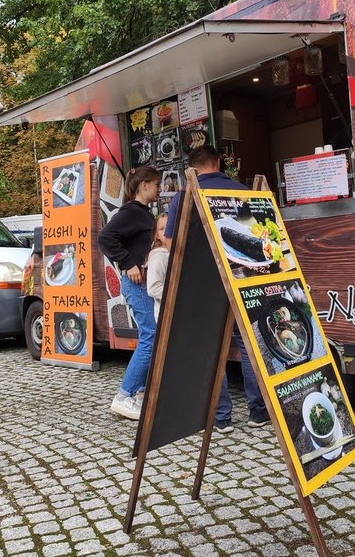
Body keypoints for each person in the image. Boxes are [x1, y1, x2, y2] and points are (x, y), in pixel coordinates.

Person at [165, 145, 269, 433]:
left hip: (202, 283)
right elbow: (261, 237)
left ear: (193, 168)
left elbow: (173, 242)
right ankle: (258, 411)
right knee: (249, 344)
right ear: (219, 163)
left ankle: (221, 417)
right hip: (243, 277)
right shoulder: (244, 191)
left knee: (212, 348)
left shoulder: (183, 196)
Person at [98, 165, 161, 420]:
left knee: (152, 336)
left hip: (143, 283)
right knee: (150, 337)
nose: (159, 188)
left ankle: (140, 394)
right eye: (156, 184)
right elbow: (105, 237)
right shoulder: (132, 212)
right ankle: (123, 396)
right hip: (136, 284)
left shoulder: (143, 212)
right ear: (144, 185)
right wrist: (128, 263)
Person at [145, 213, 171, 322]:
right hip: (167, 316)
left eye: (169, 227)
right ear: (157, 235)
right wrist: (177, 294)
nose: (166, 231)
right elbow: (153, 289)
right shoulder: (158, 258)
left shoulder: (175, 254)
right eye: (162, 229)